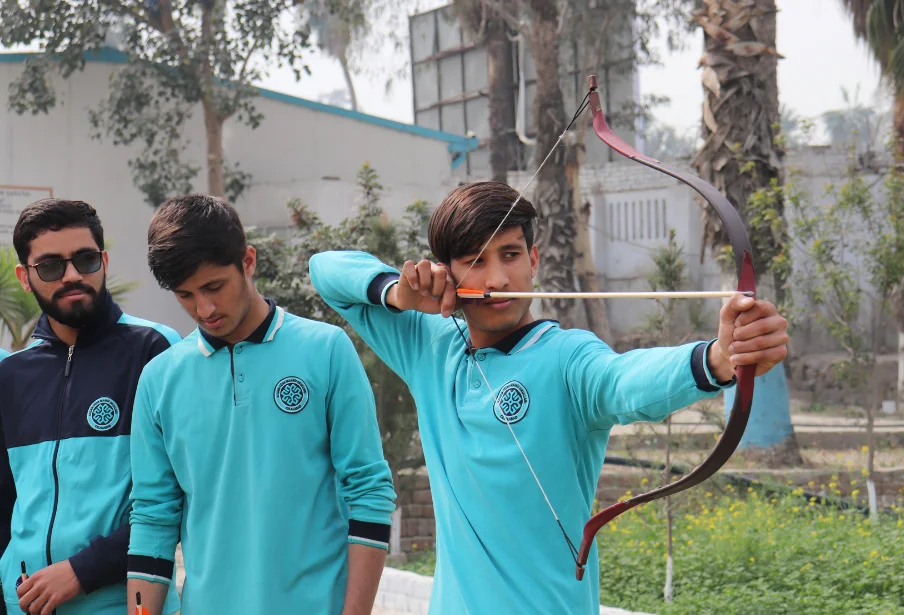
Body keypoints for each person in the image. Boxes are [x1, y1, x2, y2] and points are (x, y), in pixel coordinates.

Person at [308, 181, 790, 614]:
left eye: (510, 255)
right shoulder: (429, 347)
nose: (497, 278)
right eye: (475, 260)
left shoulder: (568, 358)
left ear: (534, 261)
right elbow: (325, 269)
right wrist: (397, 292)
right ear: (447, 273)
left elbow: (624, 381)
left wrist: (719, 358)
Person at [126, 195, 396, 615]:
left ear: (248, 261)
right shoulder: (159, 380)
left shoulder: (326, 350)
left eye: (214, 287)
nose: (204, 309)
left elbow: (369, 490)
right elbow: (152, 518)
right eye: (185, 295)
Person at [0, 199, 182, 615]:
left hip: (124, 603)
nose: (71, 276)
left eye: (85, 260)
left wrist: (81, 572)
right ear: (25, 278)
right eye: (50, 266)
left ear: (103, 261)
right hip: (23, 604)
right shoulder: (11, 376)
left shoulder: (155, 350)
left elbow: (176, 496)